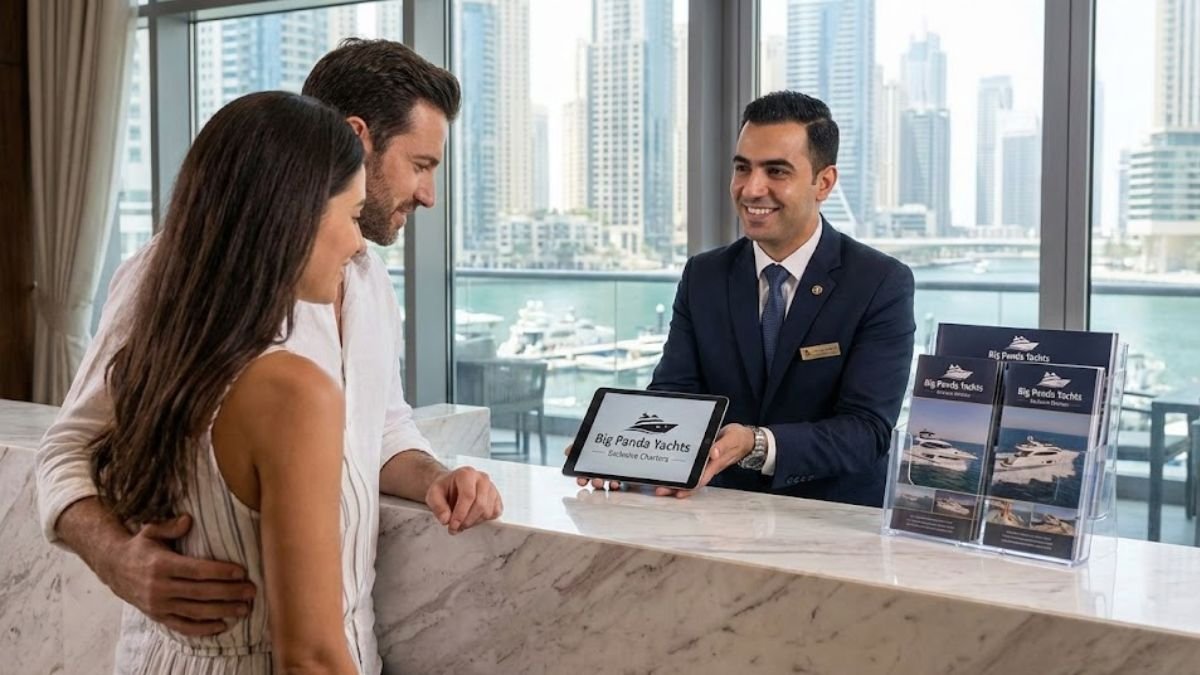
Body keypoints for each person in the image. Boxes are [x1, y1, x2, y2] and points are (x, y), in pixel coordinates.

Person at [36, 41, 501, 673]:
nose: (428, 195)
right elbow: (69, 446)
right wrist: (119, 561)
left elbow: (383, 425)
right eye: (420, 164)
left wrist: (435, 478)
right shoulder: (171, 270)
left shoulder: (369, 279)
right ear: (357, 137)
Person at [578, 91, 915, 507]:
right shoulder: (704, 274)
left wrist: (756, 443)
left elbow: (867, 431)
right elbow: (674, 392)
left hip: (834, 517)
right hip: (715, 511)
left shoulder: (880, 282)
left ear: (823, 183)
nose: (752, 189)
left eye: (776, 171)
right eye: (743, 168)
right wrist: (618, 452)